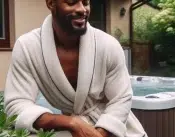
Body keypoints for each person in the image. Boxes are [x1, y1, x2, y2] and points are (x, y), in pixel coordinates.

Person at [4, 0, 147, 137]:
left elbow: (121, 98)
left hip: (112, 128)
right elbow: (16, 104)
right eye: (71, 2)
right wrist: (71, 123)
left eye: (86, 2)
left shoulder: (108, 45)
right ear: (51, 3)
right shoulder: (28, 47)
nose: (82, 9)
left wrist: (99, 134)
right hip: (69, 129)